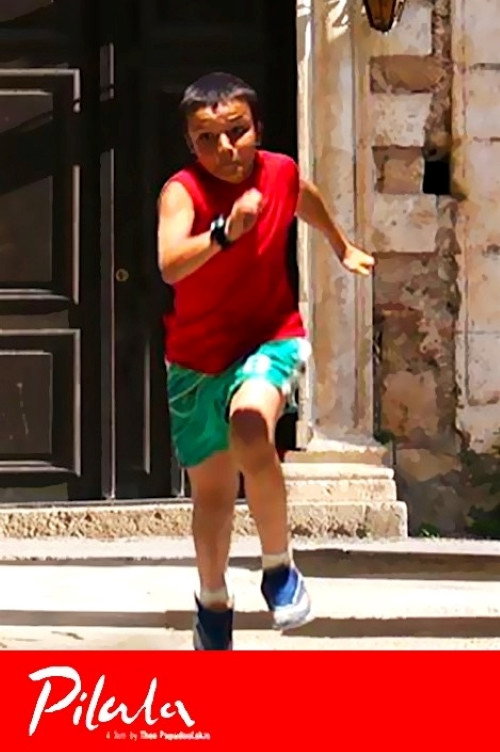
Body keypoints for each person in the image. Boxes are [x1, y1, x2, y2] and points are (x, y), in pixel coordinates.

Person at [157, 72, 374, 650]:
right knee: (212, 496)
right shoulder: (182, 192)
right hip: (195, 360)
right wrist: (224, 232)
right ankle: (212, 603)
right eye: (207, 140)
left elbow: (305, 195)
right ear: (190, 144)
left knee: (251, 425)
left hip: (270, 338)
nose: (225, 149)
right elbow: (170, 264)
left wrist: (342, 245)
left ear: (258, 128)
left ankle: (279, 567)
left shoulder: (279, 172)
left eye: (237, 132)